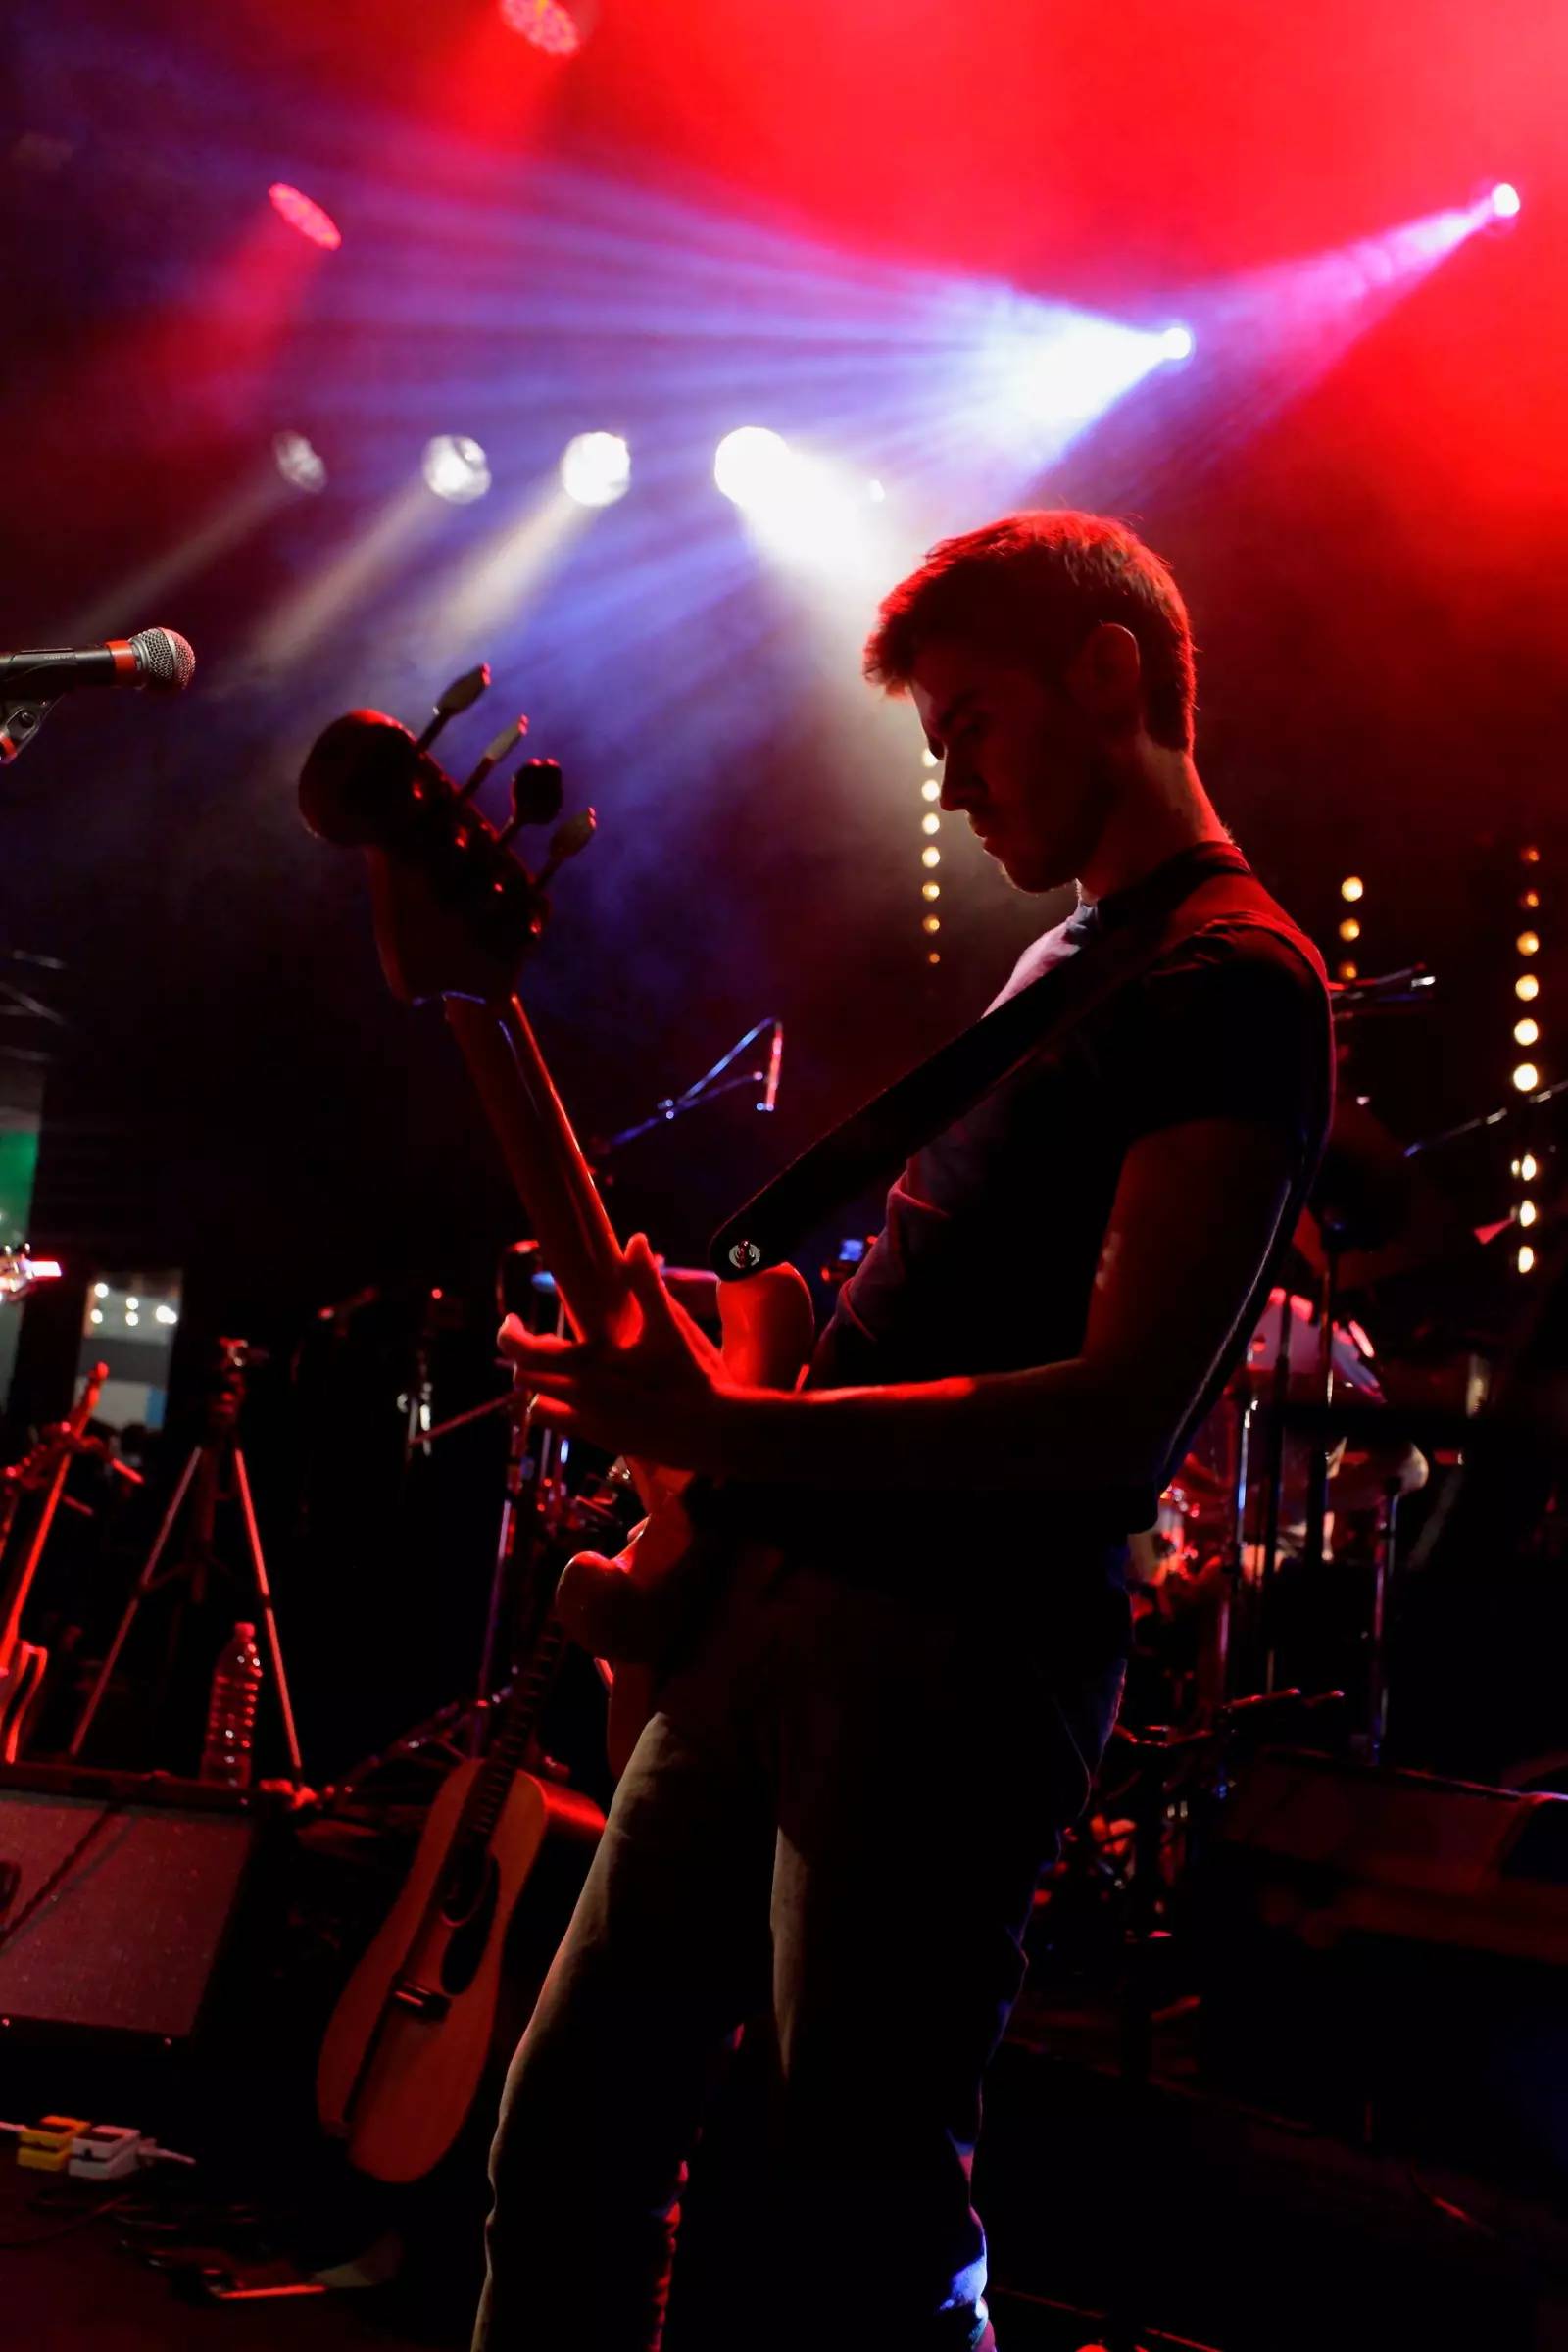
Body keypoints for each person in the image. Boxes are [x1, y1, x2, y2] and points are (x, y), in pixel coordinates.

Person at [474, 511, 1335, 2350]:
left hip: (956, 1661)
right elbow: (925, 1319)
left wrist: (734, 1437)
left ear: (1109, 672)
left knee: (859, 2214)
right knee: (564, 2142)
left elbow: (1113, 1424)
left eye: (971, 728)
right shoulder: (1070, 964)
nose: (949, 787)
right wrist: (718, 1365)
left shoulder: (1233, 979)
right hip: (777, 1616)